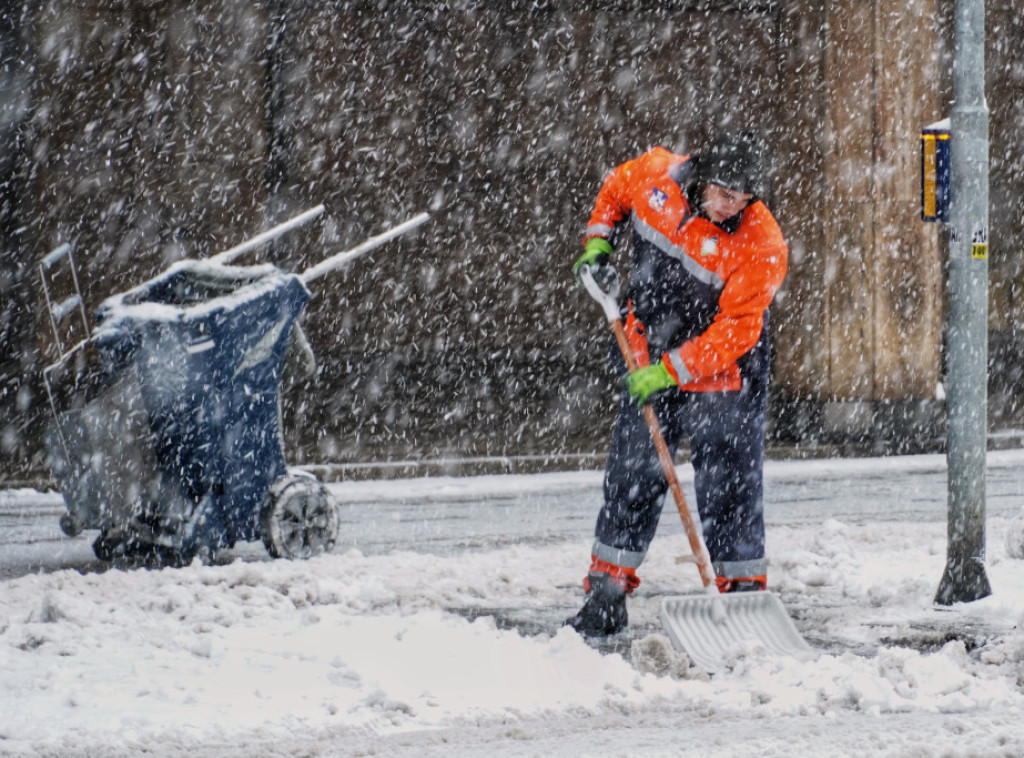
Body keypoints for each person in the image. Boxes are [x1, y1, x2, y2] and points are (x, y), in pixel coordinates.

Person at [565, 130, 788, 636]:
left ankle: (743, 598)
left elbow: (736, 331)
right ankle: (606, 593)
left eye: (743, 198)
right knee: (633, 472)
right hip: (648, 349)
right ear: (701, 178)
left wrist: (672, 371)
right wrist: (598, 242)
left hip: (724, 372)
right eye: (724, 193)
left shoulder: (762, 244)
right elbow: (616, 192)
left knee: (729, 485)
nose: (732, 206)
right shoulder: (656, 176)